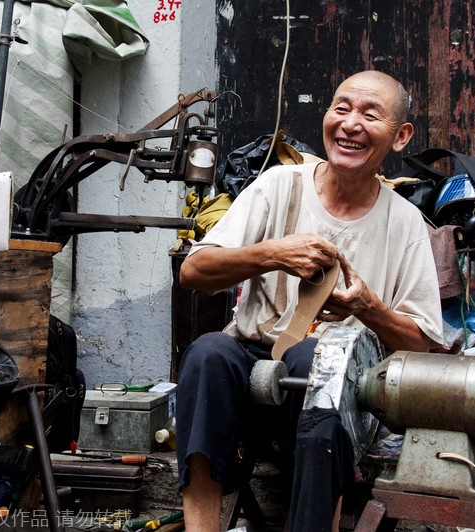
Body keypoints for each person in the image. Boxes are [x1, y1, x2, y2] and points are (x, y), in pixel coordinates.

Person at [175, 70, 444, 531]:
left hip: (342, 381)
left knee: (319, 358)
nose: (350, 123)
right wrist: (271, 254)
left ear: (400, 137)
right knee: (208, 354)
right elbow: (193, 272)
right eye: (341, 108)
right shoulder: (279, 186)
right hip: (256, 361)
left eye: (369, 114)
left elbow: (425, 345)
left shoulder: (405, 223)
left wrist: (368, 309)